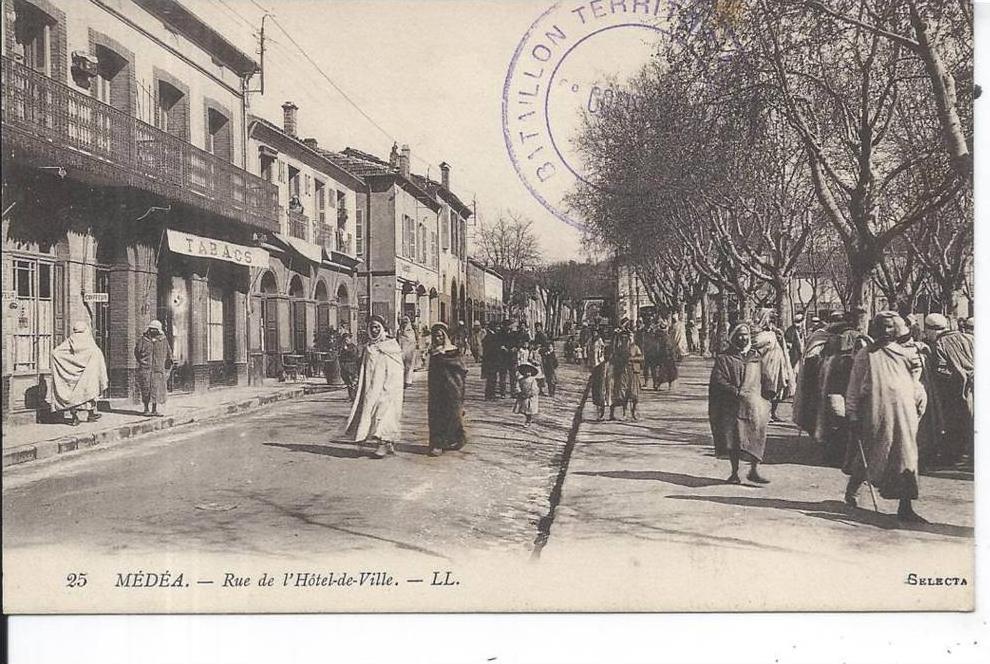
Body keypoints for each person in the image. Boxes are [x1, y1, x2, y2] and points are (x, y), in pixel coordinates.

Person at [843, 312, 928, 522]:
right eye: (881, 327)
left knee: (906, 456)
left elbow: (915, 379)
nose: (885, 331)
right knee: (874, 451)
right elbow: (854, 386)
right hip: (876, 412)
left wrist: (918, 400)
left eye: (890, 327)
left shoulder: (905, 353)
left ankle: (905, 506)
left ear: (896, 329)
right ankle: (853, 489)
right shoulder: (866, 355)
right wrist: (852, 413)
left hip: (905, 414)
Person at [709, 323, 774, 484]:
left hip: (754, 404)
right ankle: (734, 472)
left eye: (745, 334)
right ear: (733, 337)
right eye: (739, 335)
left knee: (757, 436)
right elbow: (718, 380)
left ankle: (754, 470)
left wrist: (770, 390)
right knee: (735, 439)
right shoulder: (725, 358)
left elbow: (765, 376)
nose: (743, 338)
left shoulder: (756, 356)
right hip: (733, 405)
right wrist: (735, 391)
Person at [342, 315, 405, 459]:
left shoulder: (391, 346)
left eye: (377, 327)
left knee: (383, 412)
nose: (375, 330)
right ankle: (387, 443)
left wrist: (390, 386)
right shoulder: (369, 347)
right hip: (372, 387)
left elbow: (397, 369)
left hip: (388, 387)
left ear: (382, 328)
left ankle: (382, 443)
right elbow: (365, 368)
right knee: (371, 412)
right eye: (372, 327)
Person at [925, 313, 974, 466]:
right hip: (976, 386)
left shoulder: (940, 343)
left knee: (955, 424)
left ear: (931, 330)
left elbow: (941, 370)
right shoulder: (969, 337)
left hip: (956, 391)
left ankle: (953, 457)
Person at [50, 321, 108, 426]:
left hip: (72, 374)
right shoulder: (88, 340)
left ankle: (75, 417)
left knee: (73, 394)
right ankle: (90, 414)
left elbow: (56, 352)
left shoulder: (71, 339)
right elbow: (97, 354)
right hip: (88, 374)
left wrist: (68, 365)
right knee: (89, 392)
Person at [426, 322, 468, 457]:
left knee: (452, 415)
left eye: (440, 336)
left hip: (451, 388)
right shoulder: (433, 352)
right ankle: (437, 444)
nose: (438, 339)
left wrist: (458, 387)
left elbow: (462, 369)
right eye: (435, 336)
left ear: (445, 337)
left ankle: (456, 438)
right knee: (436, 415)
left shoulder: (453, 352)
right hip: (436, 389)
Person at [753, 308, 795, 423]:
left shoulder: (774, 332)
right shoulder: (758, 332)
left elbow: (782, 344)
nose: (772, 320)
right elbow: (757, 345)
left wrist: (781, 340)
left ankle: (773, 412)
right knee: (767, 388)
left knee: (779, 388)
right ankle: (765, 413)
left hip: (779, 364)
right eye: (770, 317)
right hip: (766, 364)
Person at [134, 320, 173, 417]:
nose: (152, 331)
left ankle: (154, 409)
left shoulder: (163, 340)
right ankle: (146, 409)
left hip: (157, 370)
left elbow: (169, 353)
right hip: (146, 369)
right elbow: (137, 352)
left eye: (155, 329)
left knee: (156, 390)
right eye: (151, 329)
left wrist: (166, 366)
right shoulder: (143, 340)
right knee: (146, 389)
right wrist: (143, 362)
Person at [609, 331, 643, 420]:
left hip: (634, 373)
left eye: (626, 338)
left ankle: (634, 411)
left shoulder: (635, 348)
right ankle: (623, 413)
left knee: (634, 394)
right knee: (623, 394)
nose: (624, 340)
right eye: (622, 338)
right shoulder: (620, 348)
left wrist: (631, 359)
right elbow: (614, 359)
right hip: (623, 373)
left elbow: (641, 357)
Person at [588, 328, 610, 420]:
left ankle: (601, 409)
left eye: (596, 332)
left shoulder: (600, 341)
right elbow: (588, 352)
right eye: (593, 332)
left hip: (600, 365)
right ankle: (598, 410)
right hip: (594, 366)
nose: (594, 334)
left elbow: (602, 353)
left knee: (601, 387)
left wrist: (601, 361)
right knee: (595, 388)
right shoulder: (590, 341)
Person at [651, 320, 678, 390]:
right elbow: (671, 346)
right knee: (667, 371)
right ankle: (665, 384)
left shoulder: (658, 337)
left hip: (661, 356)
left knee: (662, 371)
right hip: (664, 356)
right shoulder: (667, 337)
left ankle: (658, 384)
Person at [513, 361, 540, 426]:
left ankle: (528, 420)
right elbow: (517, 386)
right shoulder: (521, 380)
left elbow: (535, 388)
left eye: (529, 372)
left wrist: (530, 393)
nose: (527, 373)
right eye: (526, 371)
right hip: (522, 396)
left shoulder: (533, 380)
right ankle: (527, 418)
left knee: (529, 409)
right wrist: (519, 391)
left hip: (530, 397)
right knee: (523, 409)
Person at [338, 332, 361, 400]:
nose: (346, 341)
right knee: (348, 382)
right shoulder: (342, 347)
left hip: (351, 366)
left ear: (350, 339)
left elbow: (354, 355)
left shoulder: (352, 347)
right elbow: (340, 356)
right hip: (344, 366)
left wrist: (347, 350)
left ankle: (353, 396)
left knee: (352, 382)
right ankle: (351, 396)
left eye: (347, 339)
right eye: (345, 340)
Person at [396, 316, 418, 388]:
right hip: (401, 350)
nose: (404, 324)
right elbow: (397, 340)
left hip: (410, 350)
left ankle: (408, 382)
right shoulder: (399, 331)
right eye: (403, 322)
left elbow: (416, 338)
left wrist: (417, 345)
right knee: (401, 366)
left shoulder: (412, 330)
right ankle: (402, 381)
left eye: (406, 322)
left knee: (409, 365)